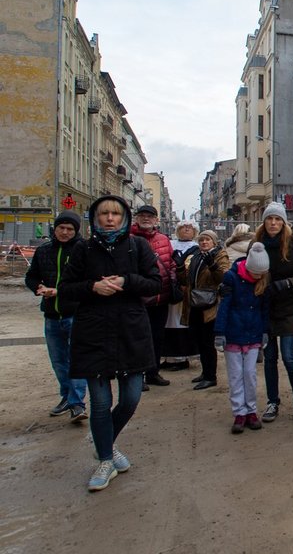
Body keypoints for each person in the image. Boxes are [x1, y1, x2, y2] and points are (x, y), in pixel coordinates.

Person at [59, 195, 161, 492]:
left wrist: (127, 281)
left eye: (115, 213)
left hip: (131, 331)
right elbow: (66, 290)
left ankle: (105, 441)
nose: (110, 218)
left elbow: (155, 284)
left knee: (130, 398)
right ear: (95, 217)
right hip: (94, 333)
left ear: (124, 217)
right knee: (101, 403)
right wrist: (93, 286)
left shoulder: (137, 246)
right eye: (104, 213)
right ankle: (105, 459)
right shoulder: (83, 249)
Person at [25, 209, 88, 422]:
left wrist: (60, 291)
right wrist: (38, 287)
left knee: (77, 360)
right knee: (59, 361)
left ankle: (77, 403)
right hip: (52, 315)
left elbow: (87, 283)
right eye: (61, 228)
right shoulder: (43, 251)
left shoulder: (83, 251)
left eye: (70, 229)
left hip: (75, 314)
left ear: (76, 231)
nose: (65, 232)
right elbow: (31, 276)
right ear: (55, 228)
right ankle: (67, 397)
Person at [255, 202, 293, 426]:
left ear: (284, 222)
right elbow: (249, 269)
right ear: (264, 222)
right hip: (267, 307)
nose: (273, 223)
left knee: (289, 357)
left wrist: (287, 284)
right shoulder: (257, 243)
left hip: (289, 308)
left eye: (277, 219)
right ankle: (272, 402)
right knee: (270, 358)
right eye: (270, 219)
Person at [214, 242, 270, 434]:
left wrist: (264, 331)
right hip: (233, 334)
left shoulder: (262, 281)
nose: (258, 277)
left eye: (261, 274)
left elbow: (264, 310)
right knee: (236, 376)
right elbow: (224, 307)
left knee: (250, 375)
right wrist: (219, 332)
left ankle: (251, 410)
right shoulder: (231, 278)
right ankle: (239, 413)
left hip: (253, 334)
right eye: (255, 273)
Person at [177, 230, 230, 390]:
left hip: (209, 304)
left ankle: (210, 376)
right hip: (194, 303)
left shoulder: (220, 255)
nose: (204, 243)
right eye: (201, 240)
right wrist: (179, 267)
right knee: (199, 339)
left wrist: (213, 266)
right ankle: (205, 371)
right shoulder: (196, 257)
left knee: (207, 342)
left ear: (214, 242)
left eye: (207, 240)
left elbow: (223, 277)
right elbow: (185, 280)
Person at [131, 204, 175, 389]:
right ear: (136, 219)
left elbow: (170, 263)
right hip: (137, 299)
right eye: (142, 215)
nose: (146, 218)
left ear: (156, 220)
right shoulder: (129, 239)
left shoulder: (164, 239)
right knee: (138, 338)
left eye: (150, 216)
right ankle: (136, 376)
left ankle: (153, 372)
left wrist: (172, 279)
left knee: (157, 337)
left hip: (160, 297)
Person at [163, 220, 200, 371]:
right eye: (183, 227)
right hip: (169, 290)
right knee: (167, 323)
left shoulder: (196, 248)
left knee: (181, 323)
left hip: (185, 292)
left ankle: (181, 358)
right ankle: (168, 356)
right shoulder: (170, 244)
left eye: (189, 228)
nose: (186, 229)